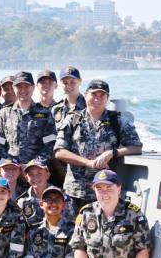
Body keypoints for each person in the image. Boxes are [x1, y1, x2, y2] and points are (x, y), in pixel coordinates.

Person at [55, 80, 143, 213]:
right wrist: (88, 163)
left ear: (107, 99)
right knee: (73, 231)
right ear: (86, 95)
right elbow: (60, 152)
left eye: (102, 95)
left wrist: (112, 153)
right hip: (75, 192)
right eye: (94, 94)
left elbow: (136, 147)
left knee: (101, 232)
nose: (98, 99)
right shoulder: (72, 119)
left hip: (105, 193)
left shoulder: (117, 121)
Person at [0, 71, 57, 164]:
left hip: (35, 170)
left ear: (33, 88)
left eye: (26, 86)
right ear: (14, 88)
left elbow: (50, 143)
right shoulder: (4, 114)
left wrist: (36, 163)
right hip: (10, 168)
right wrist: (8, 163)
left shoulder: (45, 114)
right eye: (19, 86)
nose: (23, 90)